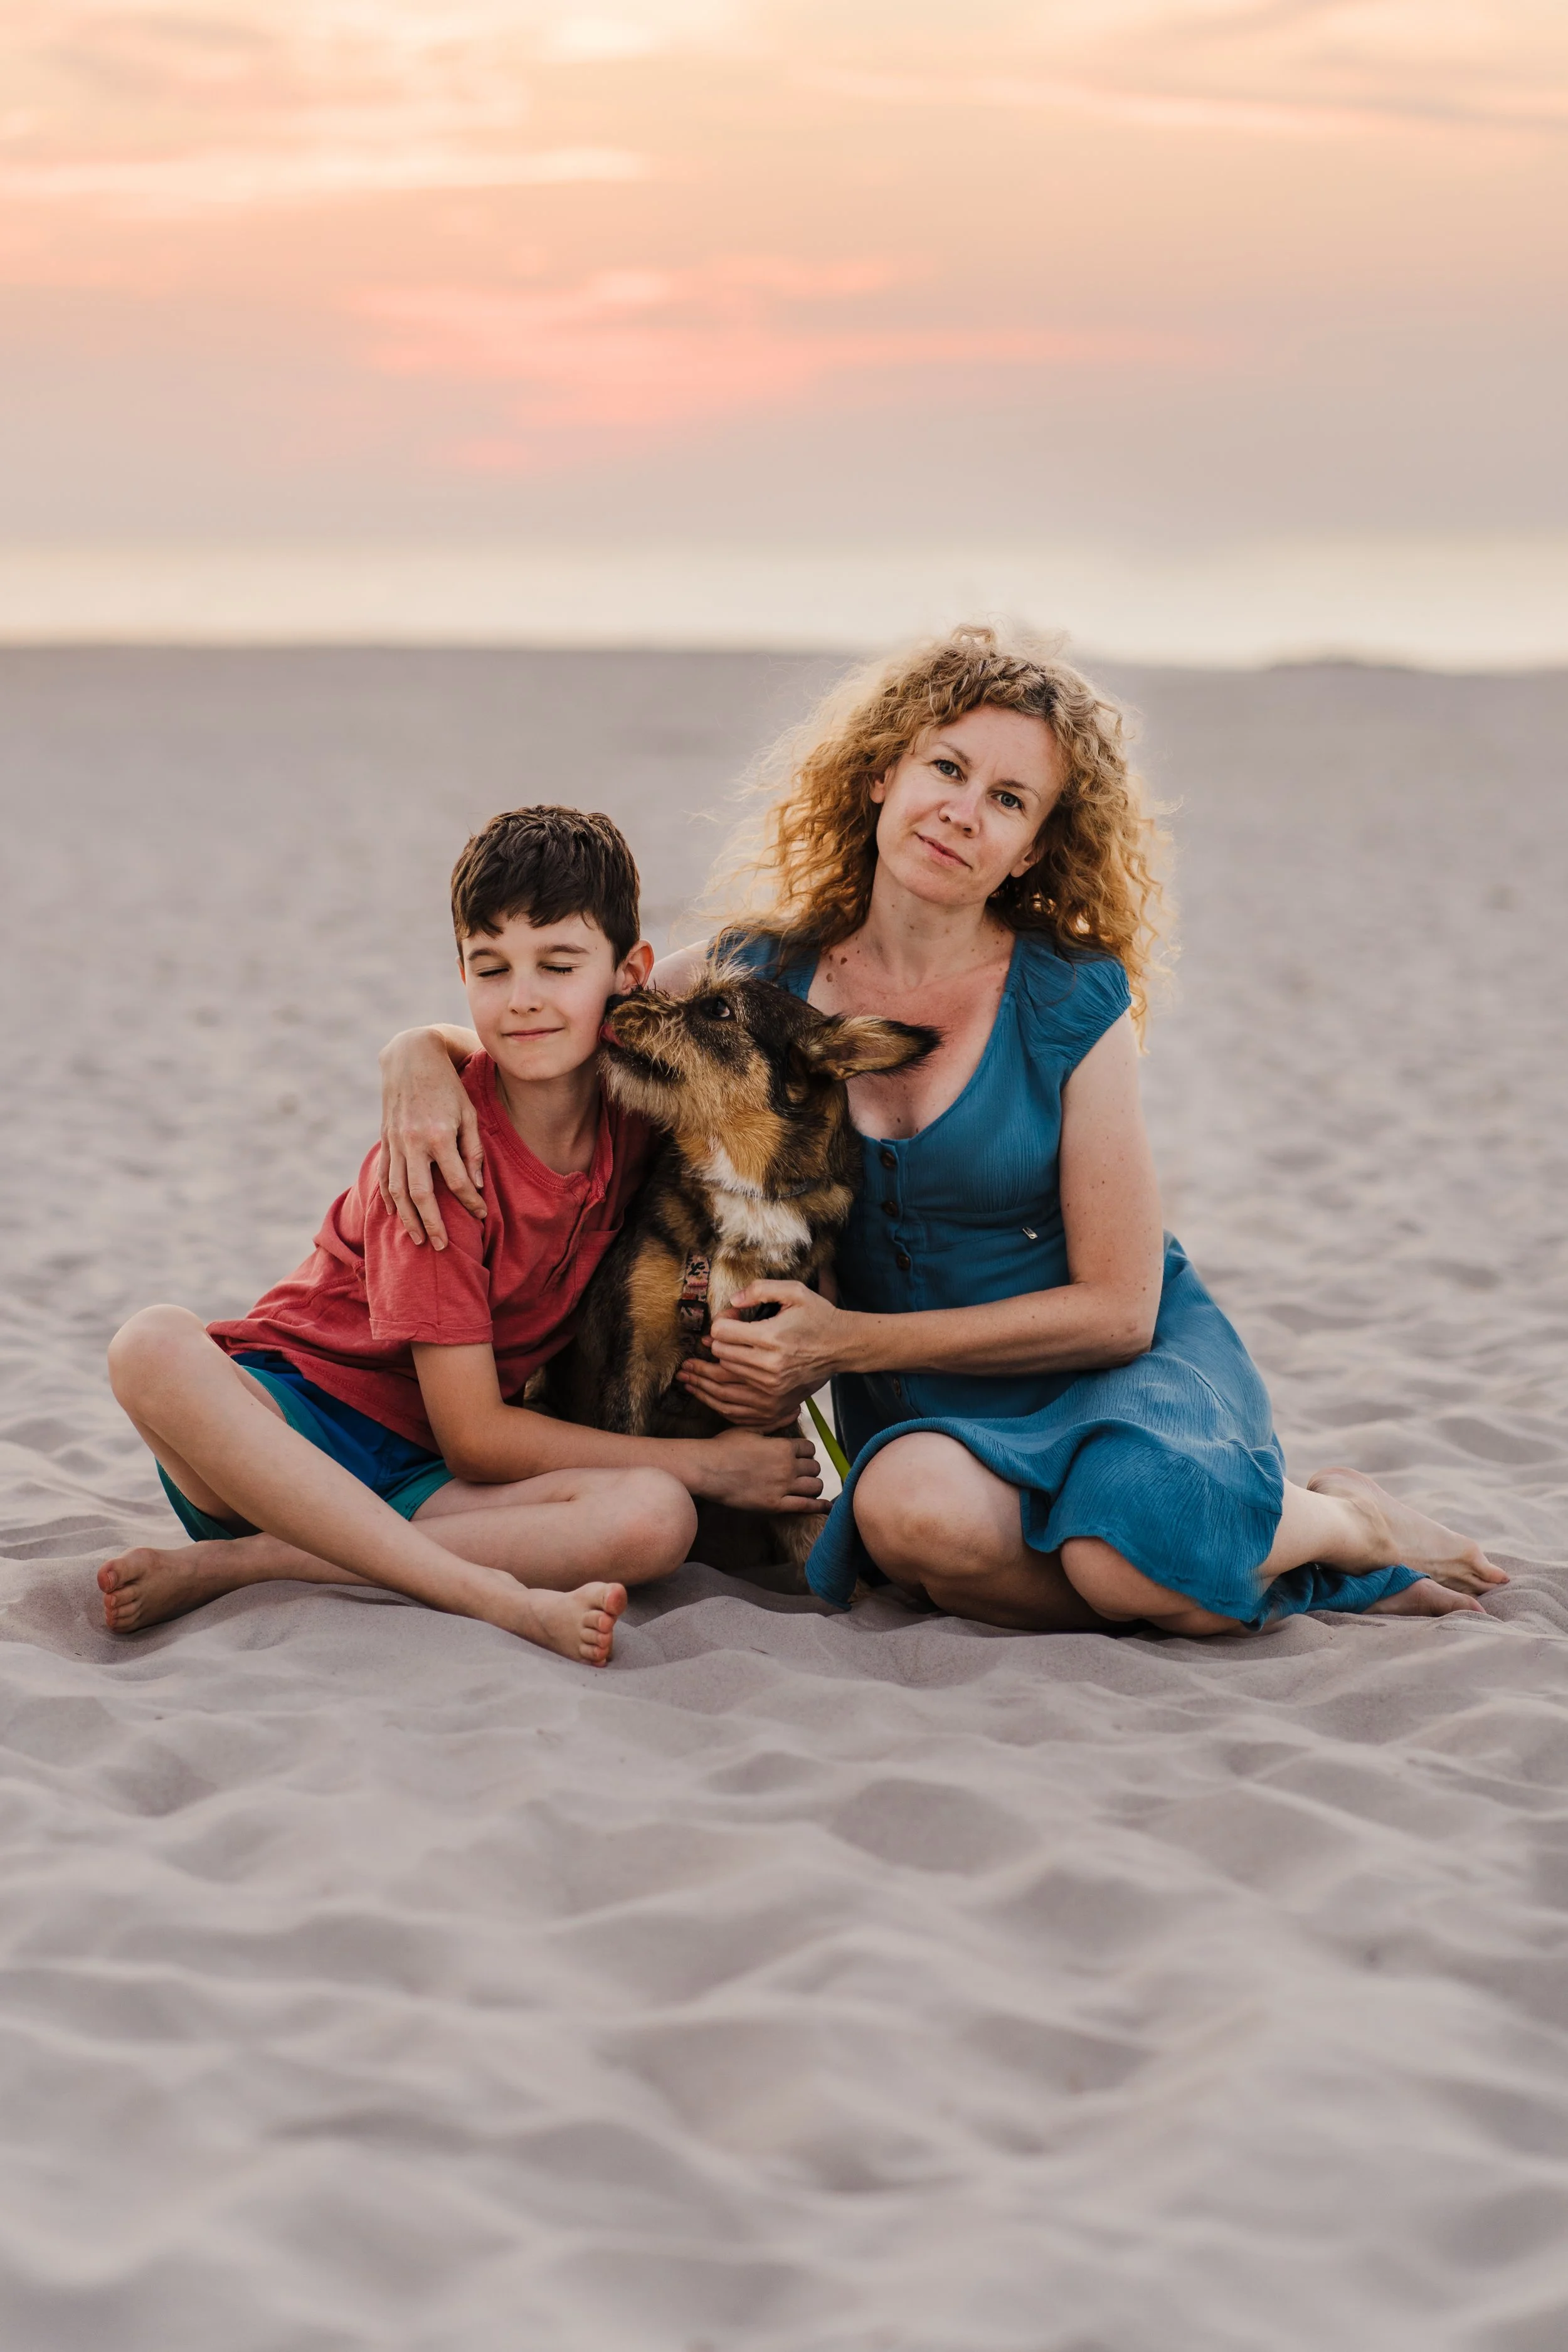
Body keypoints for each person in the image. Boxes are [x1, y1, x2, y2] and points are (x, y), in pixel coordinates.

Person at [378, 630, 1507, 1638]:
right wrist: (419, 1056)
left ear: (1032, 848)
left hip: (1110, 1368)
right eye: (948, 768)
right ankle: (1227, 1561)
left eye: (1011, 800)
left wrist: (843, 1345)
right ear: (883, 774)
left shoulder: (1069, 1002)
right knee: (909, 1520)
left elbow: (1120, 1309)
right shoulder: (762, 971)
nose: (964, 812)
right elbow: (568, 1022)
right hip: (933, 1424)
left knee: (1122, 1559)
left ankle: (1339, 1521)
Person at [100, 806, 822, 1665]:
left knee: (654, 1519)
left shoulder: (634, 1111)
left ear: (629, 974)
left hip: (430, 1485)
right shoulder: (443, 1155)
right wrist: (708, 1466)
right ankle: (487, 1596)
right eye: (491, 969)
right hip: (283, 1441)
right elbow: (475, 1433)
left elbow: (765, 993)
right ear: (462, 974)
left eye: (558, 965)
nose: (522, 999)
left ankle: (254, 1567)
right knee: (149, 1345)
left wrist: (415, 1046)